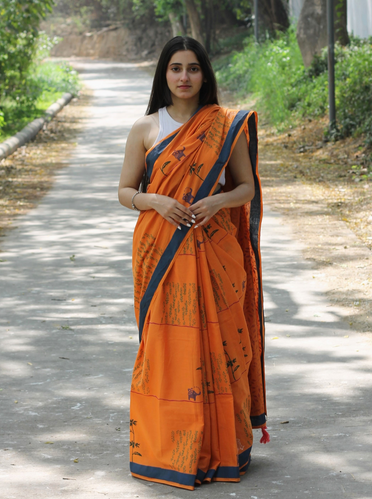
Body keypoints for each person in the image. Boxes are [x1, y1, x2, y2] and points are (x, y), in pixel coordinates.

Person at [118, 36, 268, 491]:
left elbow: (245, 187)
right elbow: (125, 192)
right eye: (176, 68)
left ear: (206, 74)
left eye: (193, 68)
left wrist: (218, 201)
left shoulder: (225, 126)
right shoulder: (146, 128)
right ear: (164, 75)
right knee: (167, 351)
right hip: (161, 251)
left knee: (223, 347)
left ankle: (224, 448)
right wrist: (157, 202)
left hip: (217, 251)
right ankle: (169, 449)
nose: (184, 77)